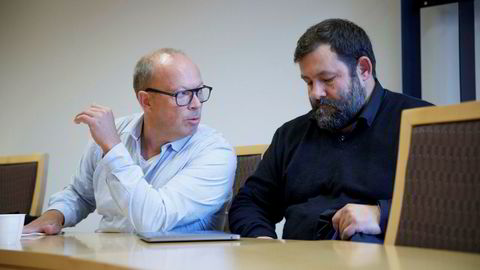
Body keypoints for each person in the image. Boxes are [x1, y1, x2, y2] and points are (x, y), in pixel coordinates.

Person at [228, 19, 432, 242]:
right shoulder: (291, 135)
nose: (316, 93)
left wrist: (383, 214)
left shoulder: (420, 124)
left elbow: (455, 207)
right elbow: (249, 203)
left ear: (363, 69)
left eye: (327, 79)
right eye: (308, 82)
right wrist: (263, 242)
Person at [24, 48, 236, 234]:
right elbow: (80, 194)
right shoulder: (115, 132)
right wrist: (55, 215)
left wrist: (113, 149)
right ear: (146, 100)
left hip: (178, 261)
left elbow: (154, 221)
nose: (197, 103)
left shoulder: (216, 153)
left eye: (199, 91)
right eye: (182, 94)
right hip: (108, 258)